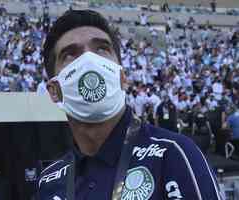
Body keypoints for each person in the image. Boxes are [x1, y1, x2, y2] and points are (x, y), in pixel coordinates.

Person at [37, 10, 223, 200]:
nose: (89, 61)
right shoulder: (49, 182)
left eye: (102, 49)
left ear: (123, 78)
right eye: (70, 54)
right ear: (54, 90)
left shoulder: (174, 154)